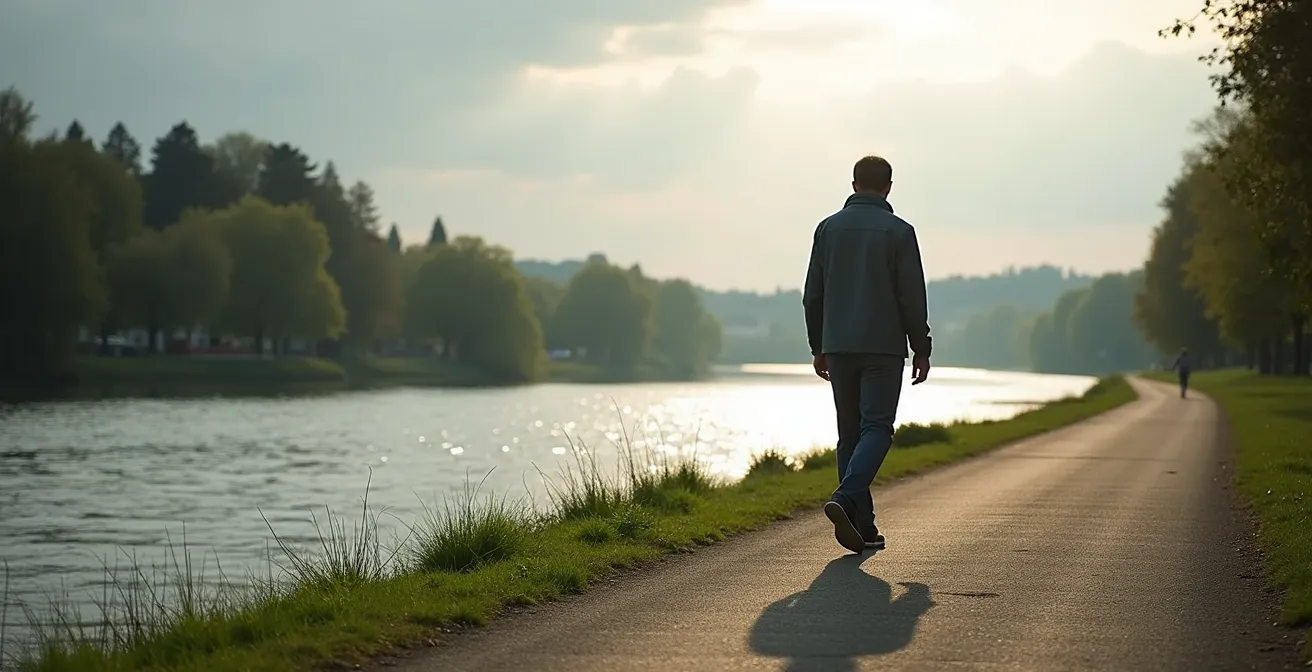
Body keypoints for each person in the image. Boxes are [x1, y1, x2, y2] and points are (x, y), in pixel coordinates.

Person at [802, 155, 932, 554]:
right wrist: (921, 347)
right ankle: (845, 498)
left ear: (854, 184)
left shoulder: (827, 229)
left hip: (839, 346)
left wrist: (818, 346)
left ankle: (863, 525)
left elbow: (813, 295)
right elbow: (912, 295)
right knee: (877, 429)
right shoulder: (900, 231)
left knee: (849, 434)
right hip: (884, 347)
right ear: (888, 186)